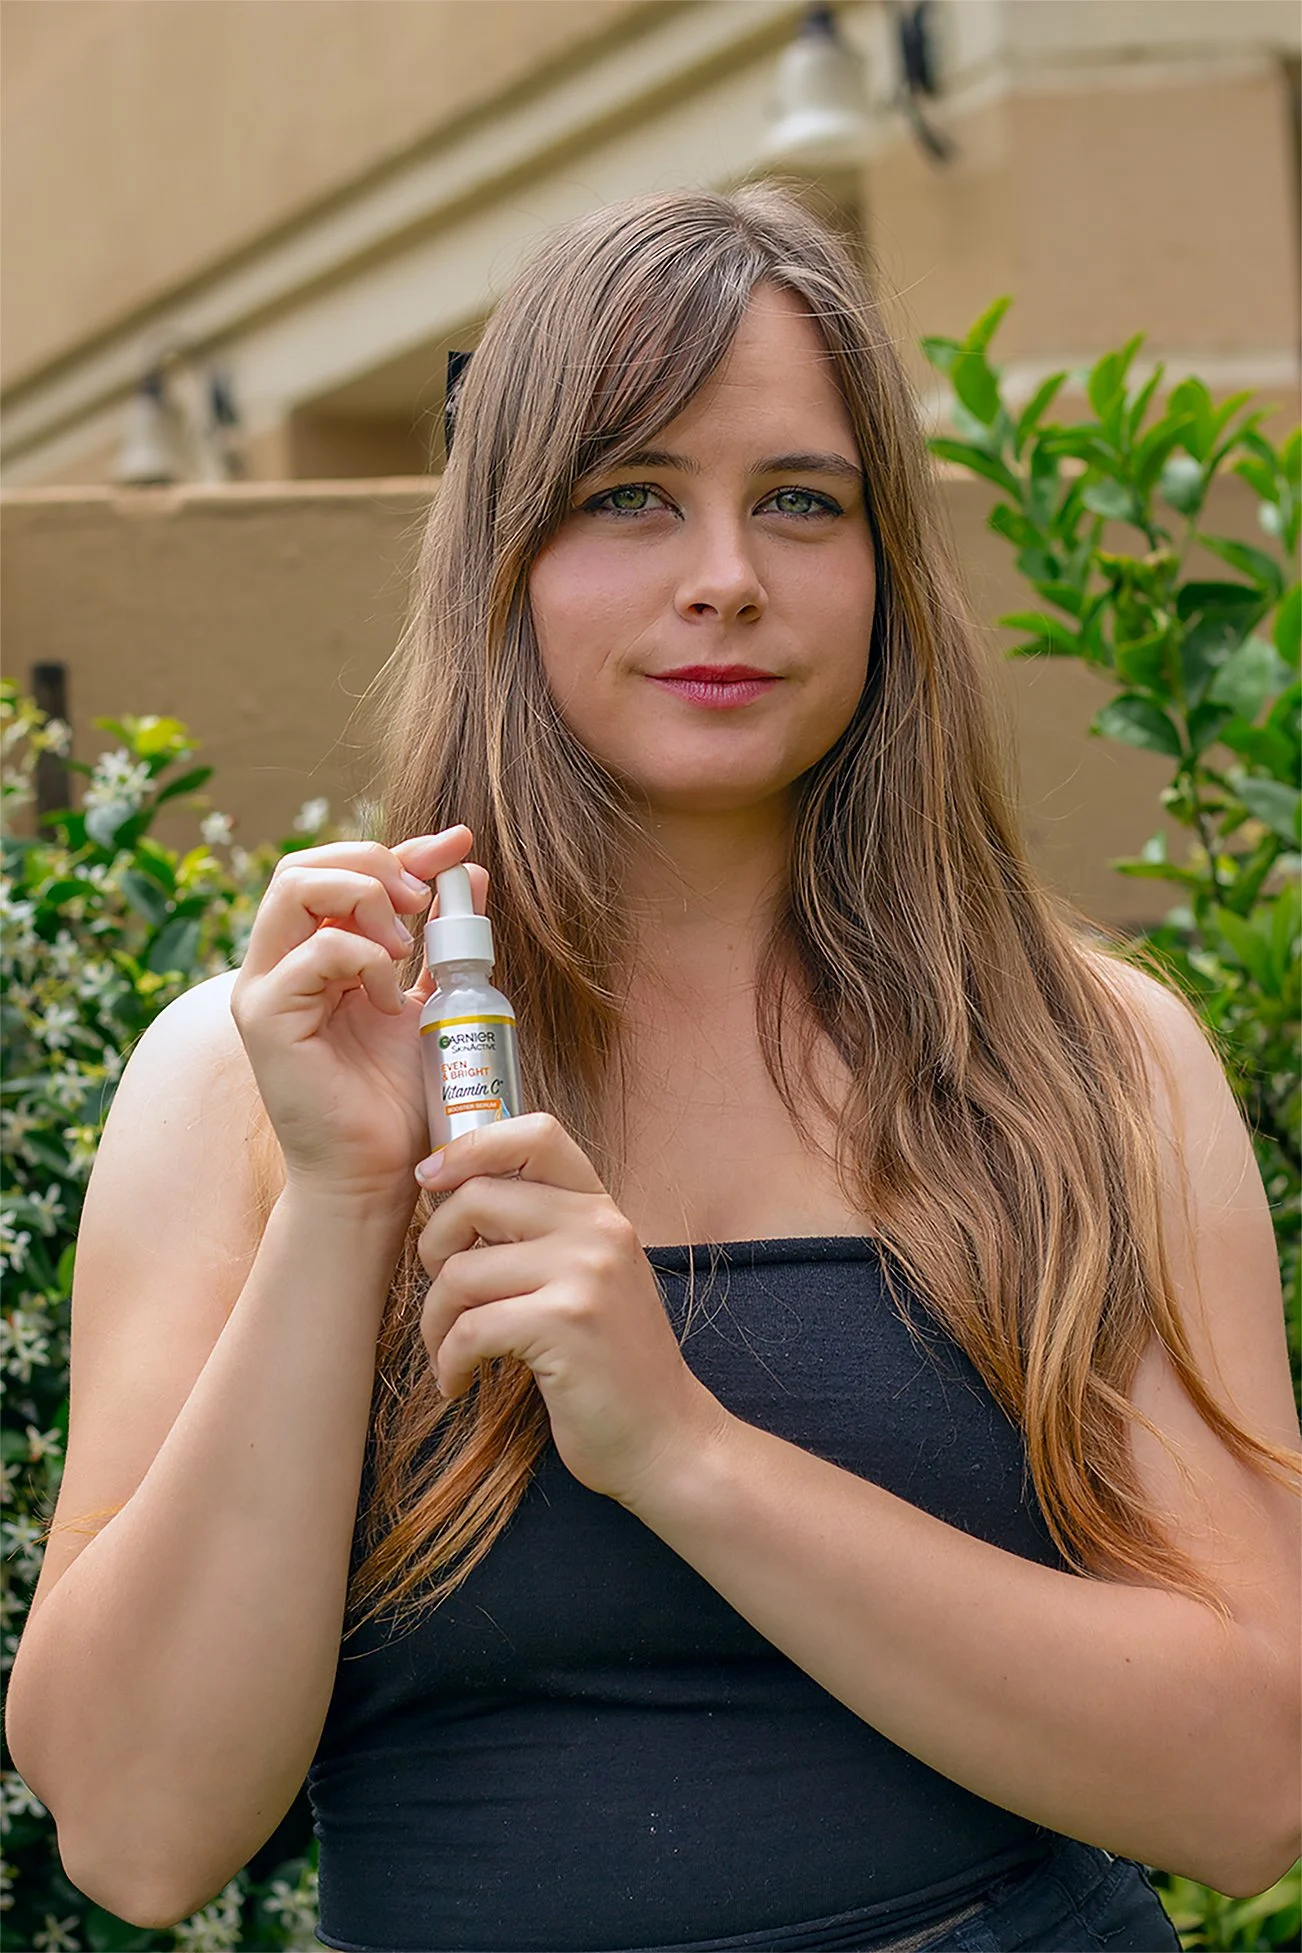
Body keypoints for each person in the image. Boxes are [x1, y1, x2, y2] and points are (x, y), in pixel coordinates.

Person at [7, 185, 1300, 1953]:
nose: (725, 577)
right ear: (503, 558)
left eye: (801, 501)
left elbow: (1255, 1780)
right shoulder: (247, 1081)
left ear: (884, 570)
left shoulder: (1087, 1062)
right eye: (629, 494)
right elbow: (137, 1835)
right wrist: (343, 1201)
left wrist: (683, 1450)